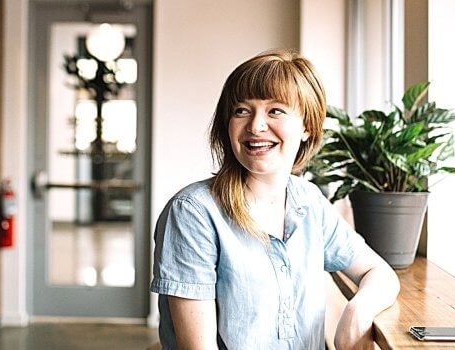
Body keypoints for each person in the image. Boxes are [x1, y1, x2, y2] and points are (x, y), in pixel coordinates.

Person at [150, 50, 400, 349]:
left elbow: (379, 272)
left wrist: (358, 311)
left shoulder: (308, 201)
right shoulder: (193, 212)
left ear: (307, 126)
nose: (255, 126)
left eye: (275, 111)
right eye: (241, 110)